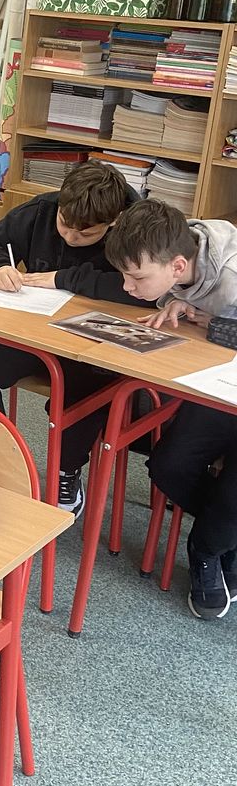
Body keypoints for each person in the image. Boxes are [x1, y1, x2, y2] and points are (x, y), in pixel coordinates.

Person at [0, 160, 136, 518]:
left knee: (88, 389)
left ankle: (67, 471)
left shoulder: (134, 228)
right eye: (65, 224)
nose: (71, 237)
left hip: (93, 343)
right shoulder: (43, 210)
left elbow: (144, 290)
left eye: (86, 234)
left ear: (113, 221)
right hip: (34, 330)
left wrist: (64, 278)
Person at [105, 199, 237, 621]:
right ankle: (226, 532)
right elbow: (194, 295)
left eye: (137, 278)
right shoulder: (180, 247)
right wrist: (180, 302)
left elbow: (221, 309)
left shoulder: (231, 273)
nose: (128, 287)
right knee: (168, 466)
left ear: (178, 266)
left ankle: (207, 547)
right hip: (219, 387)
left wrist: (215, 325)